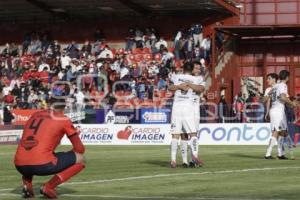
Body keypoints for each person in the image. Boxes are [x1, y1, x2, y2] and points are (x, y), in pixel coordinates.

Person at [14, 98, 85, 199]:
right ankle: (49, 187)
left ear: (48, 104)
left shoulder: (35, 115)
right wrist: (70, 153)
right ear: (64, 107)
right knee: (81, 159)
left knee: (30, 154)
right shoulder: (63, 119)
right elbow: (80, 149)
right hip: (42, 163)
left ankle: (27, 185)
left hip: (19, 164)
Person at [168, 62, 205, 168]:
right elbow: (200, 88)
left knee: (176, 134)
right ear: (192, 69)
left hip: (180, 109)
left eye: (199, 68)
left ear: (183, 69)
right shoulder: (196, 79)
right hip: (188, 109)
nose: (198, 70)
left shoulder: (177, 77)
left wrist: (181, 86)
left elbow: (170, 87)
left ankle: (175, 159)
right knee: (191, 134)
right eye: (196, 68)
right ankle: (189, 158)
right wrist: (188, 85)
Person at [264, 70, 296, 159]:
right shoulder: (283, 85)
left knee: (283, 132)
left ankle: (281, 153)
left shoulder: (276, 86)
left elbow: (272, 97)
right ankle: (268, 153)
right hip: (277, 111)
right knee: (276, 132)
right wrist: (292, 104)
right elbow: (282, 97)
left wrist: (290, 103)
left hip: (278, 110)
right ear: (287, 77)